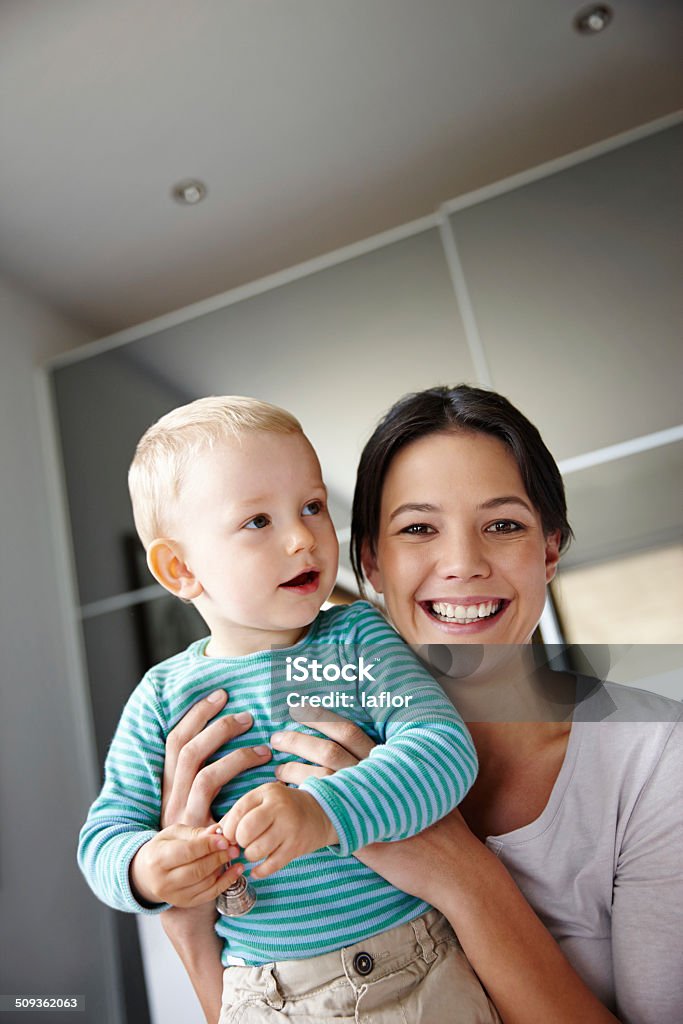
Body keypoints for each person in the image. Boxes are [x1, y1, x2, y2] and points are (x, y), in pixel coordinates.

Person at [160, 385, 683, 1024]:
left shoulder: (657, 758)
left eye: (502, 525)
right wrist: (189, 922)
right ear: (371, 563)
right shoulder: (282, 735)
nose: (462, 563)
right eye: (418, 528)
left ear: (548, 549)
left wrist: (458, 871)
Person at [77, 395, 499, 1024]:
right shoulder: (162, 698)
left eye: (311, 507)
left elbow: (441, 749)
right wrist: (144, 871)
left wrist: (324, 812)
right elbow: (104, 837)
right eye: (257, 522)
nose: (303, 537)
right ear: (180, 567)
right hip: (264, 995)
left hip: (415, 968)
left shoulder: (357, 636)